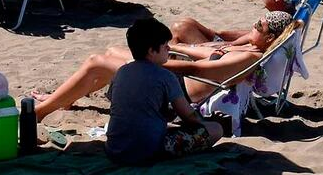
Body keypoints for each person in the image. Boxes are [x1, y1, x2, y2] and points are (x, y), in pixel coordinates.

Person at [34, 12, 291, 124]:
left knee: (96, 61)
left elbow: (198, 70)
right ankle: (65, 99)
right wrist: (180, 47)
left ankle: (41, 112)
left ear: (269, 38)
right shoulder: (248, 49)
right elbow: (204, 53)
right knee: (111, 52)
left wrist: (161, 62)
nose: (252, 26)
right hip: (174, 80)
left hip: (173, 90)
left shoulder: (247, 59)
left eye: (258, 26)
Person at [103, 18, 223, 166]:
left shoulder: (122, 71)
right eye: (165, 46)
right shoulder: (165, 76)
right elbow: (189, 116)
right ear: (151, 51)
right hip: (148, 152)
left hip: (114, 149)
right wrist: (202, 125)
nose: (169, 49)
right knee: (216, 129)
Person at [169, 0, 301, 48]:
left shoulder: (275, 27)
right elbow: (250, 35)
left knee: (180, 28)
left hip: (226, 62)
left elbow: (233, 47)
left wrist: (190, 47)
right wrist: (217, 33)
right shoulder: (284, 22)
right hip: (229, 50)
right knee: (187, 23)